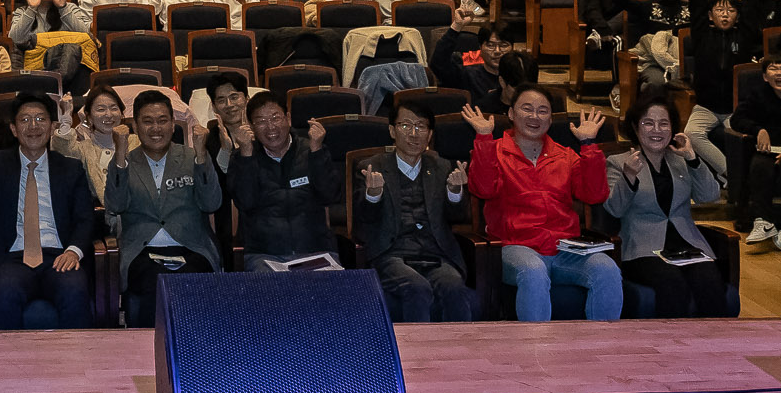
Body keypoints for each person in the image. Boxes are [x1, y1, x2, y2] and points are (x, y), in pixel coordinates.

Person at [466, 83, 620, 320]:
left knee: (607, 270)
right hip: (516, 246)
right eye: (527, 109)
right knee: (533, 271)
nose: (534, 117)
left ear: (550, 118)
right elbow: (483, 189)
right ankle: (536, 351)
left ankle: (601, 349)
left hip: (564, 249)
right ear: (510, 113)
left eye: (542, 111)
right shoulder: (494, 150)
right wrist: (484, 137)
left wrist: (589, 145)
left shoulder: (566, 155)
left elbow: (594, 195)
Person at [0, 94, 97, 328]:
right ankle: (5, 363)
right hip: (12, 257)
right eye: (25, 120)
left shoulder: (70, 168)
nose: (33, 126)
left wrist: (73, 251)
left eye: (41, 119)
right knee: (5, 290)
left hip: (59, 255)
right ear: (13, 128)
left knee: (74, 289)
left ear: (52, 127)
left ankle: (77, 362)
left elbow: (85, 218)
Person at [602, 87, 727, 317]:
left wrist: (692, 159)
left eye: (664, 124)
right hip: (642, 249)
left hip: (686, 244)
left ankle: (714, 348)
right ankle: (670, 349)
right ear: (635, 127)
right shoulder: (619, 162)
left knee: (710, 281)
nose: (656, 130)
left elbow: (709, 196)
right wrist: (629, 177)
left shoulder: (680, 161)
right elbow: (615, 209)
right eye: (648, 123)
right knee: (672, 285)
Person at [105, 90, 222, 326]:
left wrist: (202, 157)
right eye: (147, 122)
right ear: (135, 126)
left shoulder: (192, 156)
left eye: (162, 121)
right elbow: (115, 205)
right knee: (153, 283)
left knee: (191, 281)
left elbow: (212, 203)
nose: (156, 128)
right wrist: (119, 155)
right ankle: (149, 354)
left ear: (172, 124)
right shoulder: (125, 161)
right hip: (143, 252)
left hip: (191, 247)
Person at [358, 97, 477, 320]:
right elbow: (364, 219)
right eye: (405, 126)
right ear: (392, 131)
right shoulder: (373, 167)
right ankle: (416, 353)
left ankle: (461, 351)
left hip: (435, 252)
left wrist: (454, 191)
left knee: (453, 287)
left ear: (430, 135)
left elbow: (457, 217)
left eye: (420, 126)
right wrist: (373, 195)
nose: (413, 133)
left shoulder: (442, 167)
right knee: (417, 288)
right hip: (393, 254)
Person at [221, 91, 342, 269]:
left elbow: (330, 196)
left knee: (336, 293)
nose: (270, 127)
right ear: (251, 127)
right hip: (264, 254)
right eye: (261, 121)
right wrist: (246, 155)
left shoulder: (312, 149)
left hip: (315, 250)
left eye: (275, 118)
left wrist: (317, 153)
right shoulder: (242, 156)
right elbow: (246, 203)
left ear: (288, 118)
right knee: (273, 295)